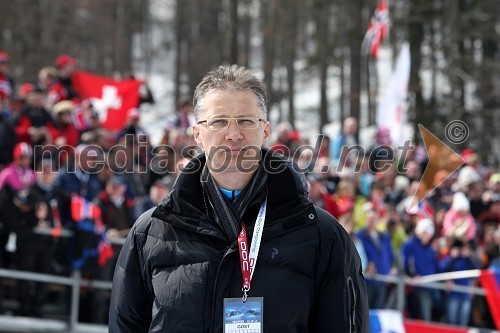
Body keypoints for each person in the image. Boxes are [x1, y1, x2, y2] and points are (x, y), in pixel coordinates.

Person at [109, 65, 369, 332]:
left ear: (265, 131)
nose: (233, 134)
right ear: (197, 133)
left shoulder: (321, 235)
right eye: (219, 121)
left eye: (246, 120)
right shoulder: (150, 232)